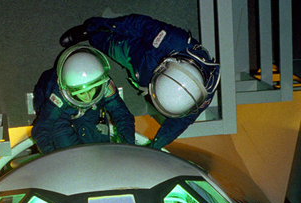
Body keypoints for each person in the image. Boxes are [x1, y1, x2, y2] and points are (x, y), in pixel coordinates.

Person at [61, 14, 220, 150]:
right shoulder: (173, 41)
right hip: (139, 56)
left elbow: (180, 123)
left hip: (141, 72)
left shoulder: (199, 96)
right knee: (112, 45)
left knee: (118, 53)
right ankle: (90, 32)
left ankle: (96, 37)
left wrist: (155, 146)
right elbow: (140, 24)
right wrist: (103, 24)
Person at [32, 44, 135, 154]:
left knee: (98, 148)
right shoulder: (58, 94)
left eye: (91, 90)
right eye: (81, 93)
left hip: (92, 109)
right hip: (61, 113)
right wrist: (51, 156)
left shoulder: (103, 83)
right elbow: (41, 128)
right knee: (69, 154)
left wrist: (128, 147)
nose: (88, 97)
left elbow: (122, 115)